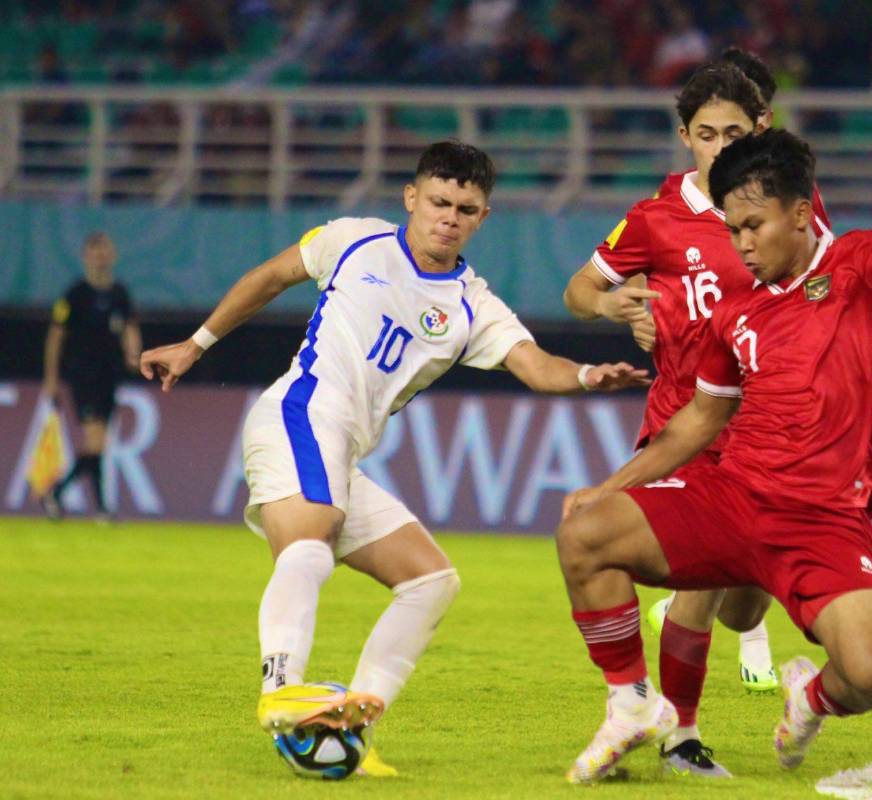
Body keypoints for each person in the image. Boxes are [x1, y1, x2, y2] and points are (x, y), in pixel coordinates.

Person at [139, 141, 649, 777]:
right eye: (438, 200)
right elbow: (271, 276)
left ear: (482, 218)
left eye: (466, 208)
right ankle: (282, 692)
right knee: (310, 541)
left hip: (341, 451)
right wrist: (195, 344)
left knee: (431, 581)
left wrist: (589, 375)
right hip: (298, 414)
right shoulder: (354, 241)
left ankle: (351, 722)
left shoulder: (472, 305)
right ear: (412, 198)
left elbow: (537, 366)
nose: (449, 216)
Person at [562, 59, 872, 778]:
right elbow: (700, 420)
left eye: (753, 226)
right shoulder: (735, 310)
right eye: (732, 230)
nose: (742, 243)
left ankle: (810, 697)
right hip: (732, 496)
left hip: (820, 519)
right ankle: (646, 713)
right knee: (584, 532)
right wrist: (608, 488)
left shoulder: (858, 264)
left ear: (798, 212)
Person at [41, 232, 142, 522]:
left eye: (104, 251)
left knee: (99, 443)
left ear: (113, 255)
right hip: (82, 374)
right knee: (95, 440)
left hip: (109, 375)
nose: (99, 257)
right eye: (94, 252)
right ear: (86, 257)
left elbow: (130, 328)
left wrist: (133, 354)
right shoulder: (75, 294)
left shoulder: (120, 293)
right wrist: (51, 378)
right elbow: (55, 337)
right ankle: (65, 495)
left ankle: (93, 507)